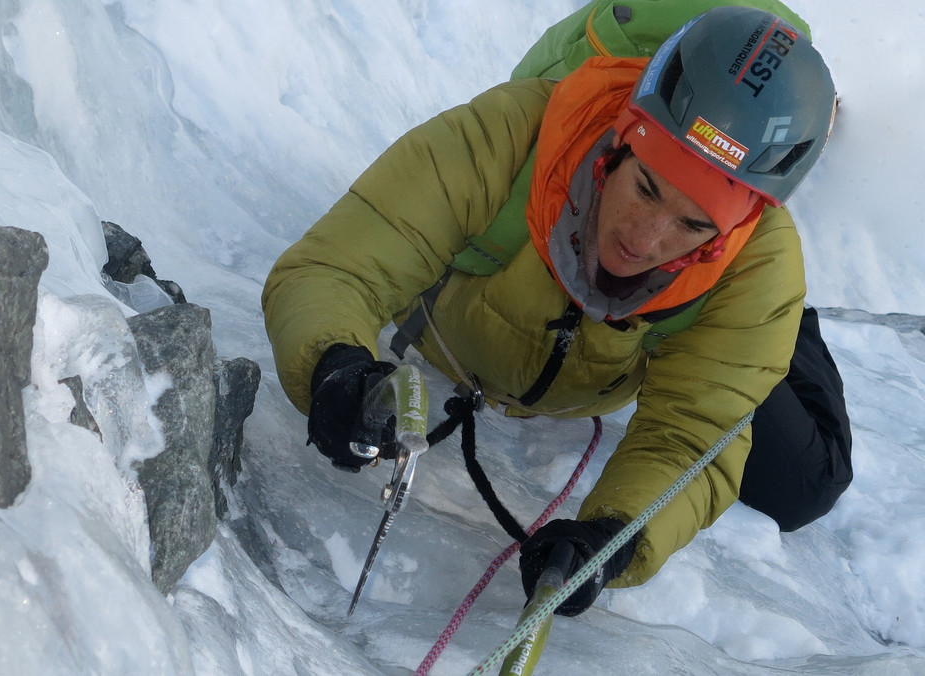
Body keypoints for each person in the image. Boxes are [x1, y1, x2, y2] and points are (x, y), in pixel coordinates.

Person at [262, 6, 852, 616]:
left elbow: (693, 438)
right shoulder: (512, 133)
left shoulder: (757, 265)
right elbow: (337, 266)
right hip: (492, 295)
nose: (643, 241)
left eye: (691, 223)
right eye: (645, 187)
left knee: (805, 481)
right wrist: (332, 362)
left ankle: (782, 332)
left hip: (711, 298)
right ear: (618, 143)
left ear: (735, 231)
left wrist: (613, 539)